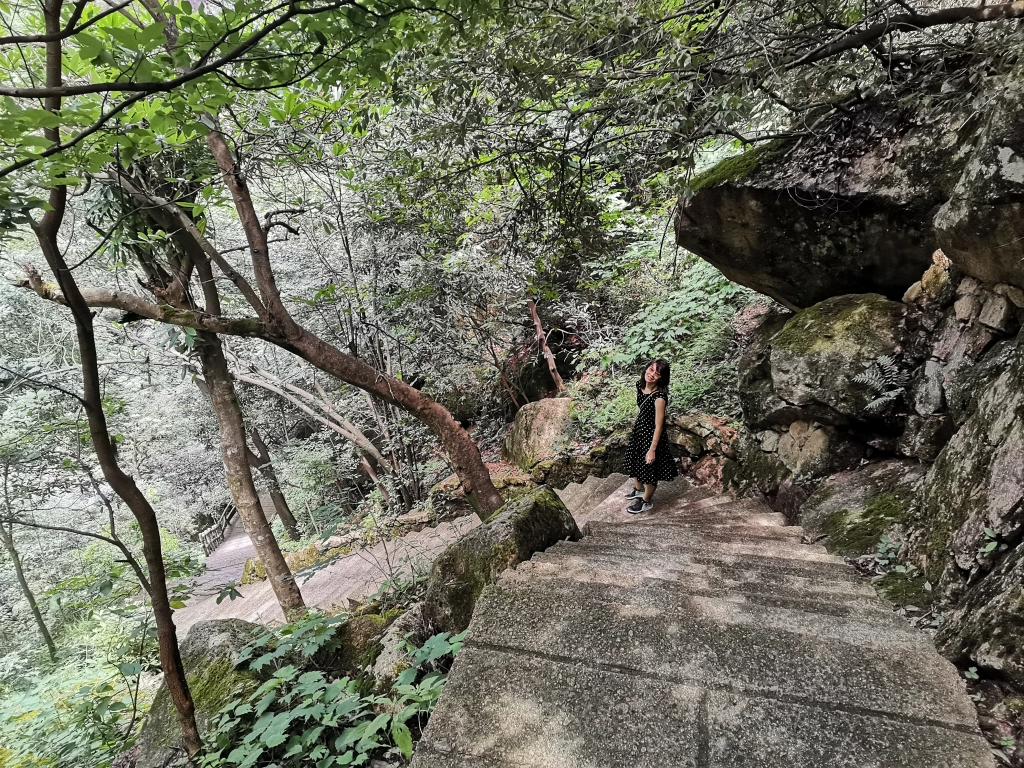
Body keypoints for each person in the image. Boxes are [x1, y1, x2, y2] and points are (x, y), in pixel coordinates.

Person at [622, 359, 678, 513]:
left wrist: (652, 449)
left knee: (648, 471)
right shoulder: (640, 385)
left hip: (651, 437)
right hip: (639, 431)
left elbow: (659, 426)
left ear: (662, 378)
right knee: (634, 462)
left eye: (657, 373)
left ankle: (646, 501)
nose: (652, 374)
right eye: (651, 369)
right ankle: (639, 491)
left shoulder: (659, 397)